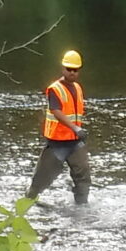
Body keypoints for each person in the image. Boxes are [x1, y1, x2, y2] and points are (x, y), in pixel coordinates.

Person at [26, 50, 89, 206]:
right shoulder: (55, 89)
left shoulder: (78, 88)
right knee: (41, 179)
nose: (72, 73)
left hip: (74, 143)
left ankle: (82, 205)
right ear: (63, 69)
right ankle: (27, 202)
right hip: (56, 143)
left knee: (83, 175)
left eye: (75, 70)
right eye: (69, 69)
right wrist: (75, 128)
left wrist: (77, 131)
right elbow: (56, 110)